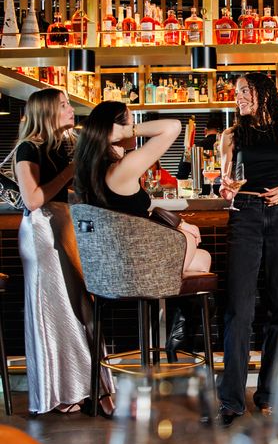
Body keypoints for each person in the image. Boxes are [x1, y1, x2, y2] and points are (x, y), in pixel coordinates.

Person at [74, 104, 212, 362]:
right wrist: (126, 130)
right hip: (134, 272)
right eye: (129, 122)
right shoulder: (122, 168)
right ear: (115, 128)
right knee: (191, 240)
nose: (134, 129)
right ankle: (179, 338)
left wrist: (179, 224)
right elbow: (172, 127)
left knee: (202, 259)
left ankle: (176, 335)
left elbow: (137, 210)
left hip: (114, 268)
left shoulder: (92, 169)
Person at [13, 89, 114, 415]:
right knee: (55, 312)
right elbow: (32, 200)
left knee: (81, 308)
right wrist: (71, 171)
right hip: (43, 233)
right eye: (64, 105)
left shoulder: (66, 146)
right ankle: (61, 392)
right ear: (46, 112)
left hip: (67, 227)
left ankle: (89, 388)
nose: (71, 109)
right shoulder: (27, 149)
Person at [218, 72, 278, 423]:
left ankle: (269, 393)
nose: (239, 97)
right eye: (236, 92)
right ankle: (232, 400)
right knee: (239, 311)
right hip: (246, 217)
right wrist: (225, 188)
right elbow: (225, 182)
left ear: (264, 93)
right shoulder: (232, 135)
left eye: (245, 90)